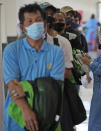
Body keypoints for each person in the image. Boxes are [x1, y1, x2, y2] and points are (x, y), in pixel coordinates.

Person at [2, 3, 65, 131]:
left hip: (48, 114)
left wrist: (24, 86)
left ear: (45, 25)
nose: (35, 24)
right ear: (23, 28)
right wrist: (26, 110)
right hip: (17, 117)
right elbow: (12, 84)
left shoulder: (56, 52)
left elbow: (54, 87)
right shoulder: (12, 50)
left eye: (38, 20)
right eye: (29, 21)